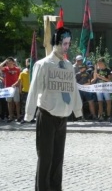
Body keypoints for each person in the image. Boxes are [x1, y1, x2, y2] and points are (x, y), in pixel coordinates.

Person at [24, 27, 83, 190]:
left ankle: (56, 188)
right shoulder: (43, 65)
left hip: (62, 117)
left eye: (69, 44)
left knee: (58, 158)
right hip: (47, 115)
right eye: (64, 43)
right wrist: (29, 113)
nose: (66, 47)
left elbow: (74, 89)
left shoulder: (69, 66)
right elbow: (34, 88)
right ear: (56, 43)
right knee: (45, 158)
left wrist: (77, 109)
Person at [92, 57, 112, 122]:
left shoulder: (108, 70)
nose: (99, 65)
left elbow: (109, 80)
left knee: (108, 102)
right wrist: (91, 82)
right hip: (99, 88)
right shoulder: (97, 70)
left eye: (100, 63)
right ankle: (101, 116)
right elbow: (94, 79)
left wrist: (102, 77)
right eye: (98, 64)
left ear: (103, 63)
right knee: (100, 102)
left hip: (106, 88)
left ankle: (108, 116)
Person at [0, 57, 21, 122]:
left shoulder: (17, 69)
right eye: (7, 62)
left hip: (15, 87)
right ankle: (11, 117)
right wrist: (5, 61)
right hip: (8, 88)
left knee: (17, 102)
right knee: (9, 103)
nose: (7, 63)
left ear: (12, 62)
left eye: (9, 62)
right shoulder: (6, 69)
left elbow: (19, 79)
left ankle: (18, 116)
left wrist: (17, 85)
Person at [12, 58, 31, 124]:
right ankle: (23, 118)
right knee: (24, 105)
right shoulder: (23, 73)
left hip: (31, 92)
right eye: (29, 68)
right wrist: (19, 89)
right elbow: (20, 82)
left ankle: (30, 118)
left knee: (30, 105)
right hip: (24, 91)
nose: (29, 69)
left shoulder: (33, 73)